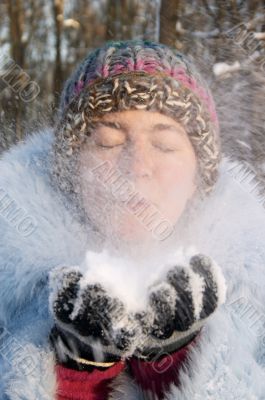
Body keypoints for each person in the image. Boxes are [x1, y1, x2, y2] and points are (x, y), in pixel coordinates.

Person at [0, 39, 265, 400]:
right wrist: (74, 376)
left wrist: (180, 366)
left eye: (165, 145)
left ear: (198, 179)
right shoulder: (9, 297)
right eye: (108, 141)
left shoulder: (256, 302)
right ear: (70, 173)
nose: (136, 167)